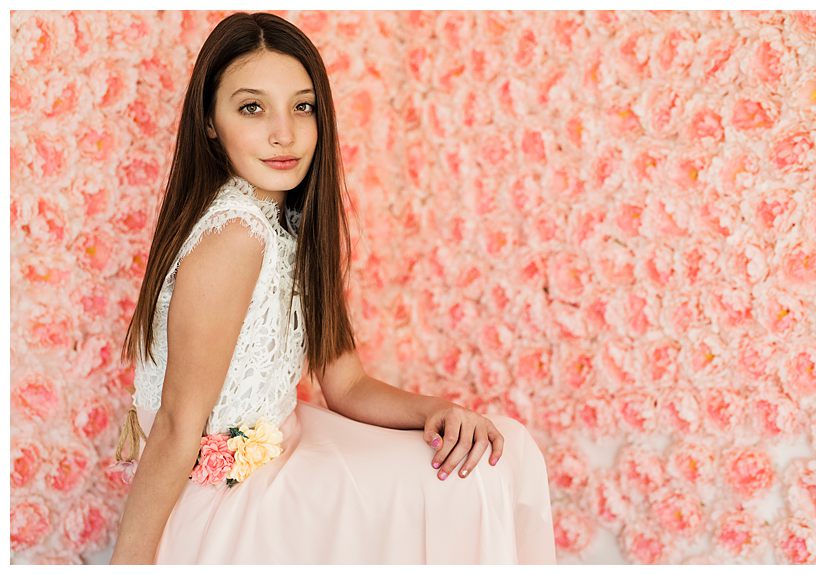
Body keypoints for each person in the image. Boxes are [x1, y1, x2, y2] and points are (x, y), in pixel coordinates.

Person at [108, 11, 556, 565]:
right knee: (465, 486)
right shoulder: (235, 236)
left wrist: (439, 408)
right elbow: (178, 422)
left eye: (303, 106)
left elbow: (344, 383)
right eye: (252, 107)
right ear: (208, 122)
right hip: (230, 493)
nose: (285, 133)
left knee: (494, 453)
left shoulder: (289, 227)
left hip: (287, 443)